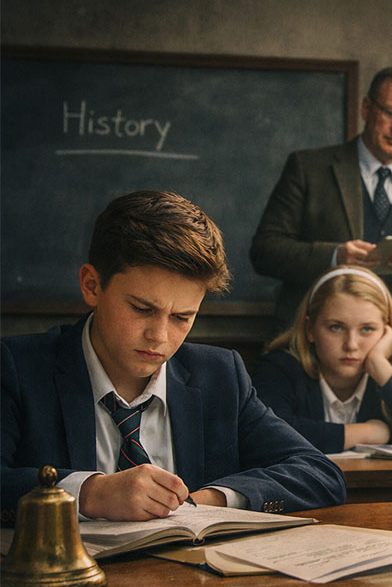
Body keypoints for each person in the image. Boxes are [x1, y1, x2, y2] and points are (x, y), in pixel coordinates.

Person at [0, 191, 346, 521]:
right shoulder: (18, 367)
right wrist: (89, 494)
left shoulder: (220, 375)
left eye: (182, 317)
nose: (160, 337)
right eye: (141, 309)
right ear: (92, 285)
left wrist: (210, 500)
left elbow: (319, 473)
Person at [250, 66, 392, 394]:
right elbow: (264, 251)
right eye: (391, 113)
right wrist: (334, 256)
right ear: (367, 108)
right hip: (316, 358)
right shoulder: (308, 169)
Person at [251, 266, 392, 453]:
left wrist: (380, 366)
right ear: (310, 329)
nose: (351, 345)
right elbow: (266, 434)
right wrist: (364, 433)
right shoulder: (280, 367)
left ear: (386, 331)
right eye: (336, 327)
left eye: (367, 329)